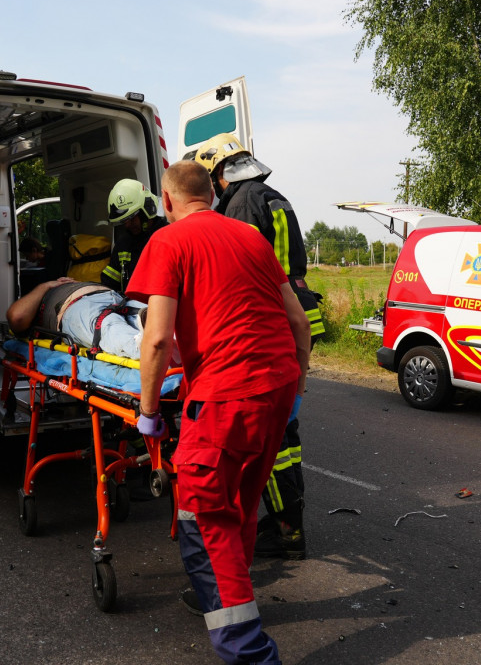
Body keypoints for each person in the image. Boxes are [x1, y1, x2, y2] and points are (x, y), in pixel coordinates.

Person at [128, 160, 311, 665]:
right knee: (242, 504)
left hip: (224, 396)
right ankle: (227, 593)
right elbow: (297, 319)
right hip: (275, 388)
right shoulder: (252, 239)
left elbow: (158, 337)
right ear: (213, 192)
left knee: (203, 519)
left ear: (166, 202)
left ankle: (248, 650)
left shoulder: (167, 243)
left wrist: (148, 412)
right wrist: (297, 382)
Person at [193, 132, 323, 560]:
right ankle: (289, 522)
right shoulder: (273, 195)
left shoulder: (243, 202)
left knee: (268, 436)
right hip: (293, 313)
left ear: (218, 175)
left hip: (270, 316)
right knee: (284, 430)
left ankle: (286, 530)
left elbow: (240, 264)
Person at [6, 277, 146, 360]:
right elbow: (17, 317)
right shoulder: (41, 296)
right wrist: (46, 286)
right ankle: (147, 349)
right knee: (108, 325)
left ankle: (159, 335)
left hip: (115, 298)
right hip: (76, 307)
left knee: (152, 312)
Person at [101, 178, 167, 293]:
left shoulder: (167, 237)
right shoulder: (123, 244)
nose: (127, 225)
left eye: (131, 218)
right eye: (123, 221)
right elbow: (109, 283)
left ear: (146, 211)